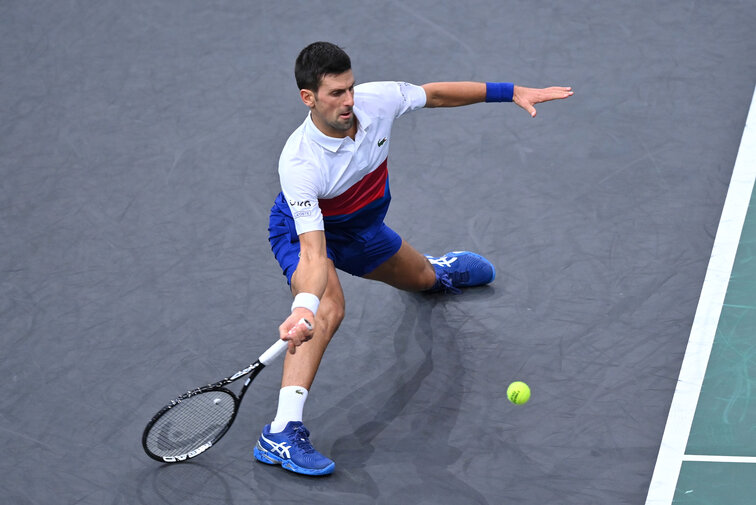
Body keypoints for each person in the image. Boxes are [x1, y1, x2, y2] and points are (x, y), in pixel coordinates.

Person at [253, 41, 573, 476]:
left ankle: (438, 271)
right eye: (335, 94)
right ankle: (281, 432)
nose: (348, 101)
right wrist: (303, 308)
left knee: (424, 280)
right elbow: (312, 252)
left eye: (349, 88)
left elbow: (435, 94)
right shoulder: (299, 162)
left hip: (362, 227)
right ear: (308, 97)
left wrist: (510, 90)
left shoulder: (376, 99)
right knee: (328, 309)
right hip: (308, 233)